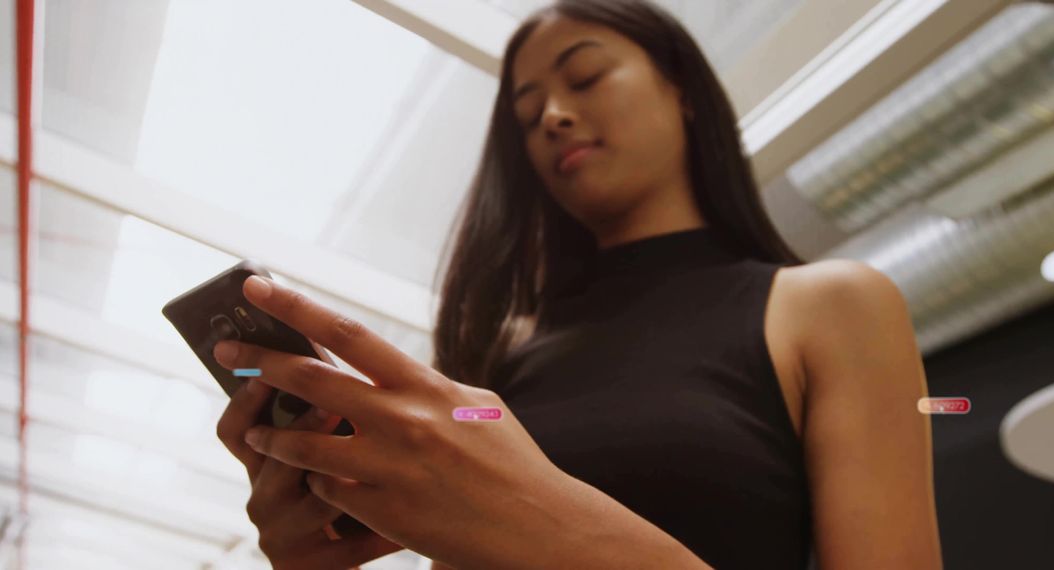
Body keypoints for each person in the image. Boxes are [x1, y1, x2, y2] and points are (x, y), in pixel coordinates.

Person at [213, 1, 944, 568]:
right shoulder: (500, 366)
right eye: (529, 117)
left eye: (586, 77)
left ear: (682, 88)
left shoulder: (831, 306)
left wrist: (548, 523)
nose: (555, 116)